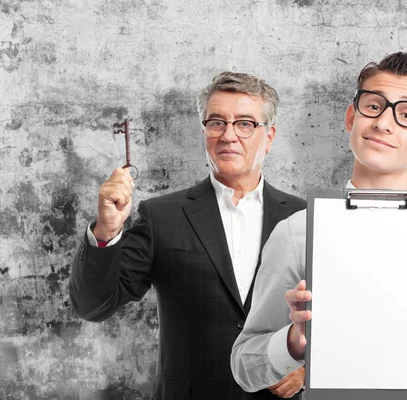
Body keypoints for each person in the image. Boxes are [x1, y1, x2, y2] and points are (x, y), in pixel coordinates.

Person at [231, 52, 407, 399]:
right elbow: (245, 368)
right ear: (352, 117)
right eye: (373, 106)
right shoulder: (297, 232)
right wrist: (295, 337)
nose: (384, 122)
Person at [70, 71, 307, 400]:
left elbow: (336, 318)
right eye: (216, 122)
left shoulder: (303, 218)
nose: (228, 135)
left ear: (269, 137)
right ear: (204, 132)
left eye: (244, 123)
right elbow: (93, 306)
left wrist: (305, 367)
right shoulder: (162, 216)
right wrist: (106, 231)